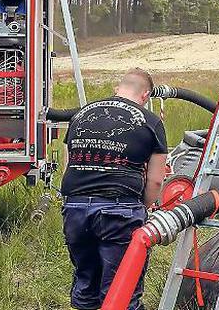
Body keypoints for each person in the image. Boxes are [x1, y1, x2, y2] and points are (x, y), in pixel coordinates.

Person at [60, 68, 168, 310]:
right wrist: (143, 209)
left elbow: (69, 164)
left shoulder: (80, 115)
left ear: (117, 89)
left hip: (75, 209)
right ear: (145, 96)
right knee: (121, 287)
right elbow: (156, 181)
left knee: (85, 279)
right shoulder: (150, 121)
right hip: (119, 211)